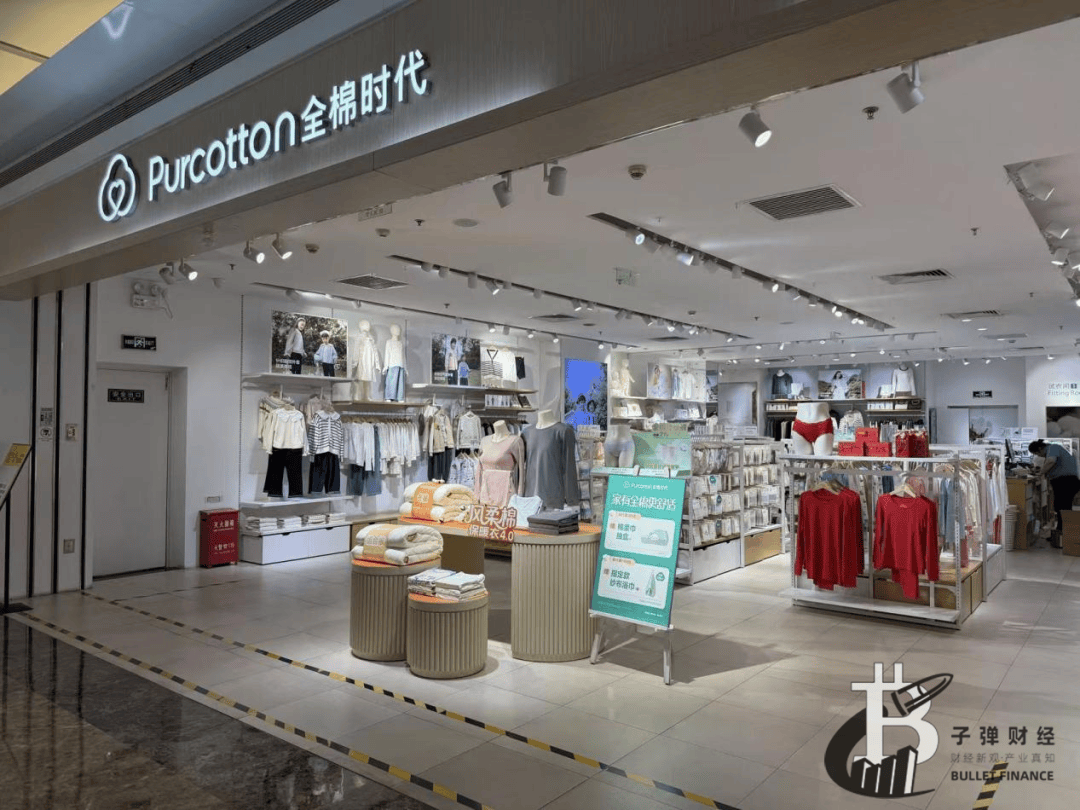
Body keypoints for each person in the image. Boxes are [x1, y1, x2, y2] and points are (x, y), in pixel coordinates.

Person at [1029, 439, 1080, 548]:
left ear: (1040, 448)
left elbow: (1051, 461)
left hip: (1066, 482)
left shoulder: (1053, 448)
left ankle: (1065, 536)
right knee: (1060, 507)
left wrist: (1041, 472)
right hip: (1065, 482)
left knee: (1063, 508)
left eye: (1037, 453)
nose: (1039, 456)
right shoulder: (1053, 450)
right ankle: (1060, 533)